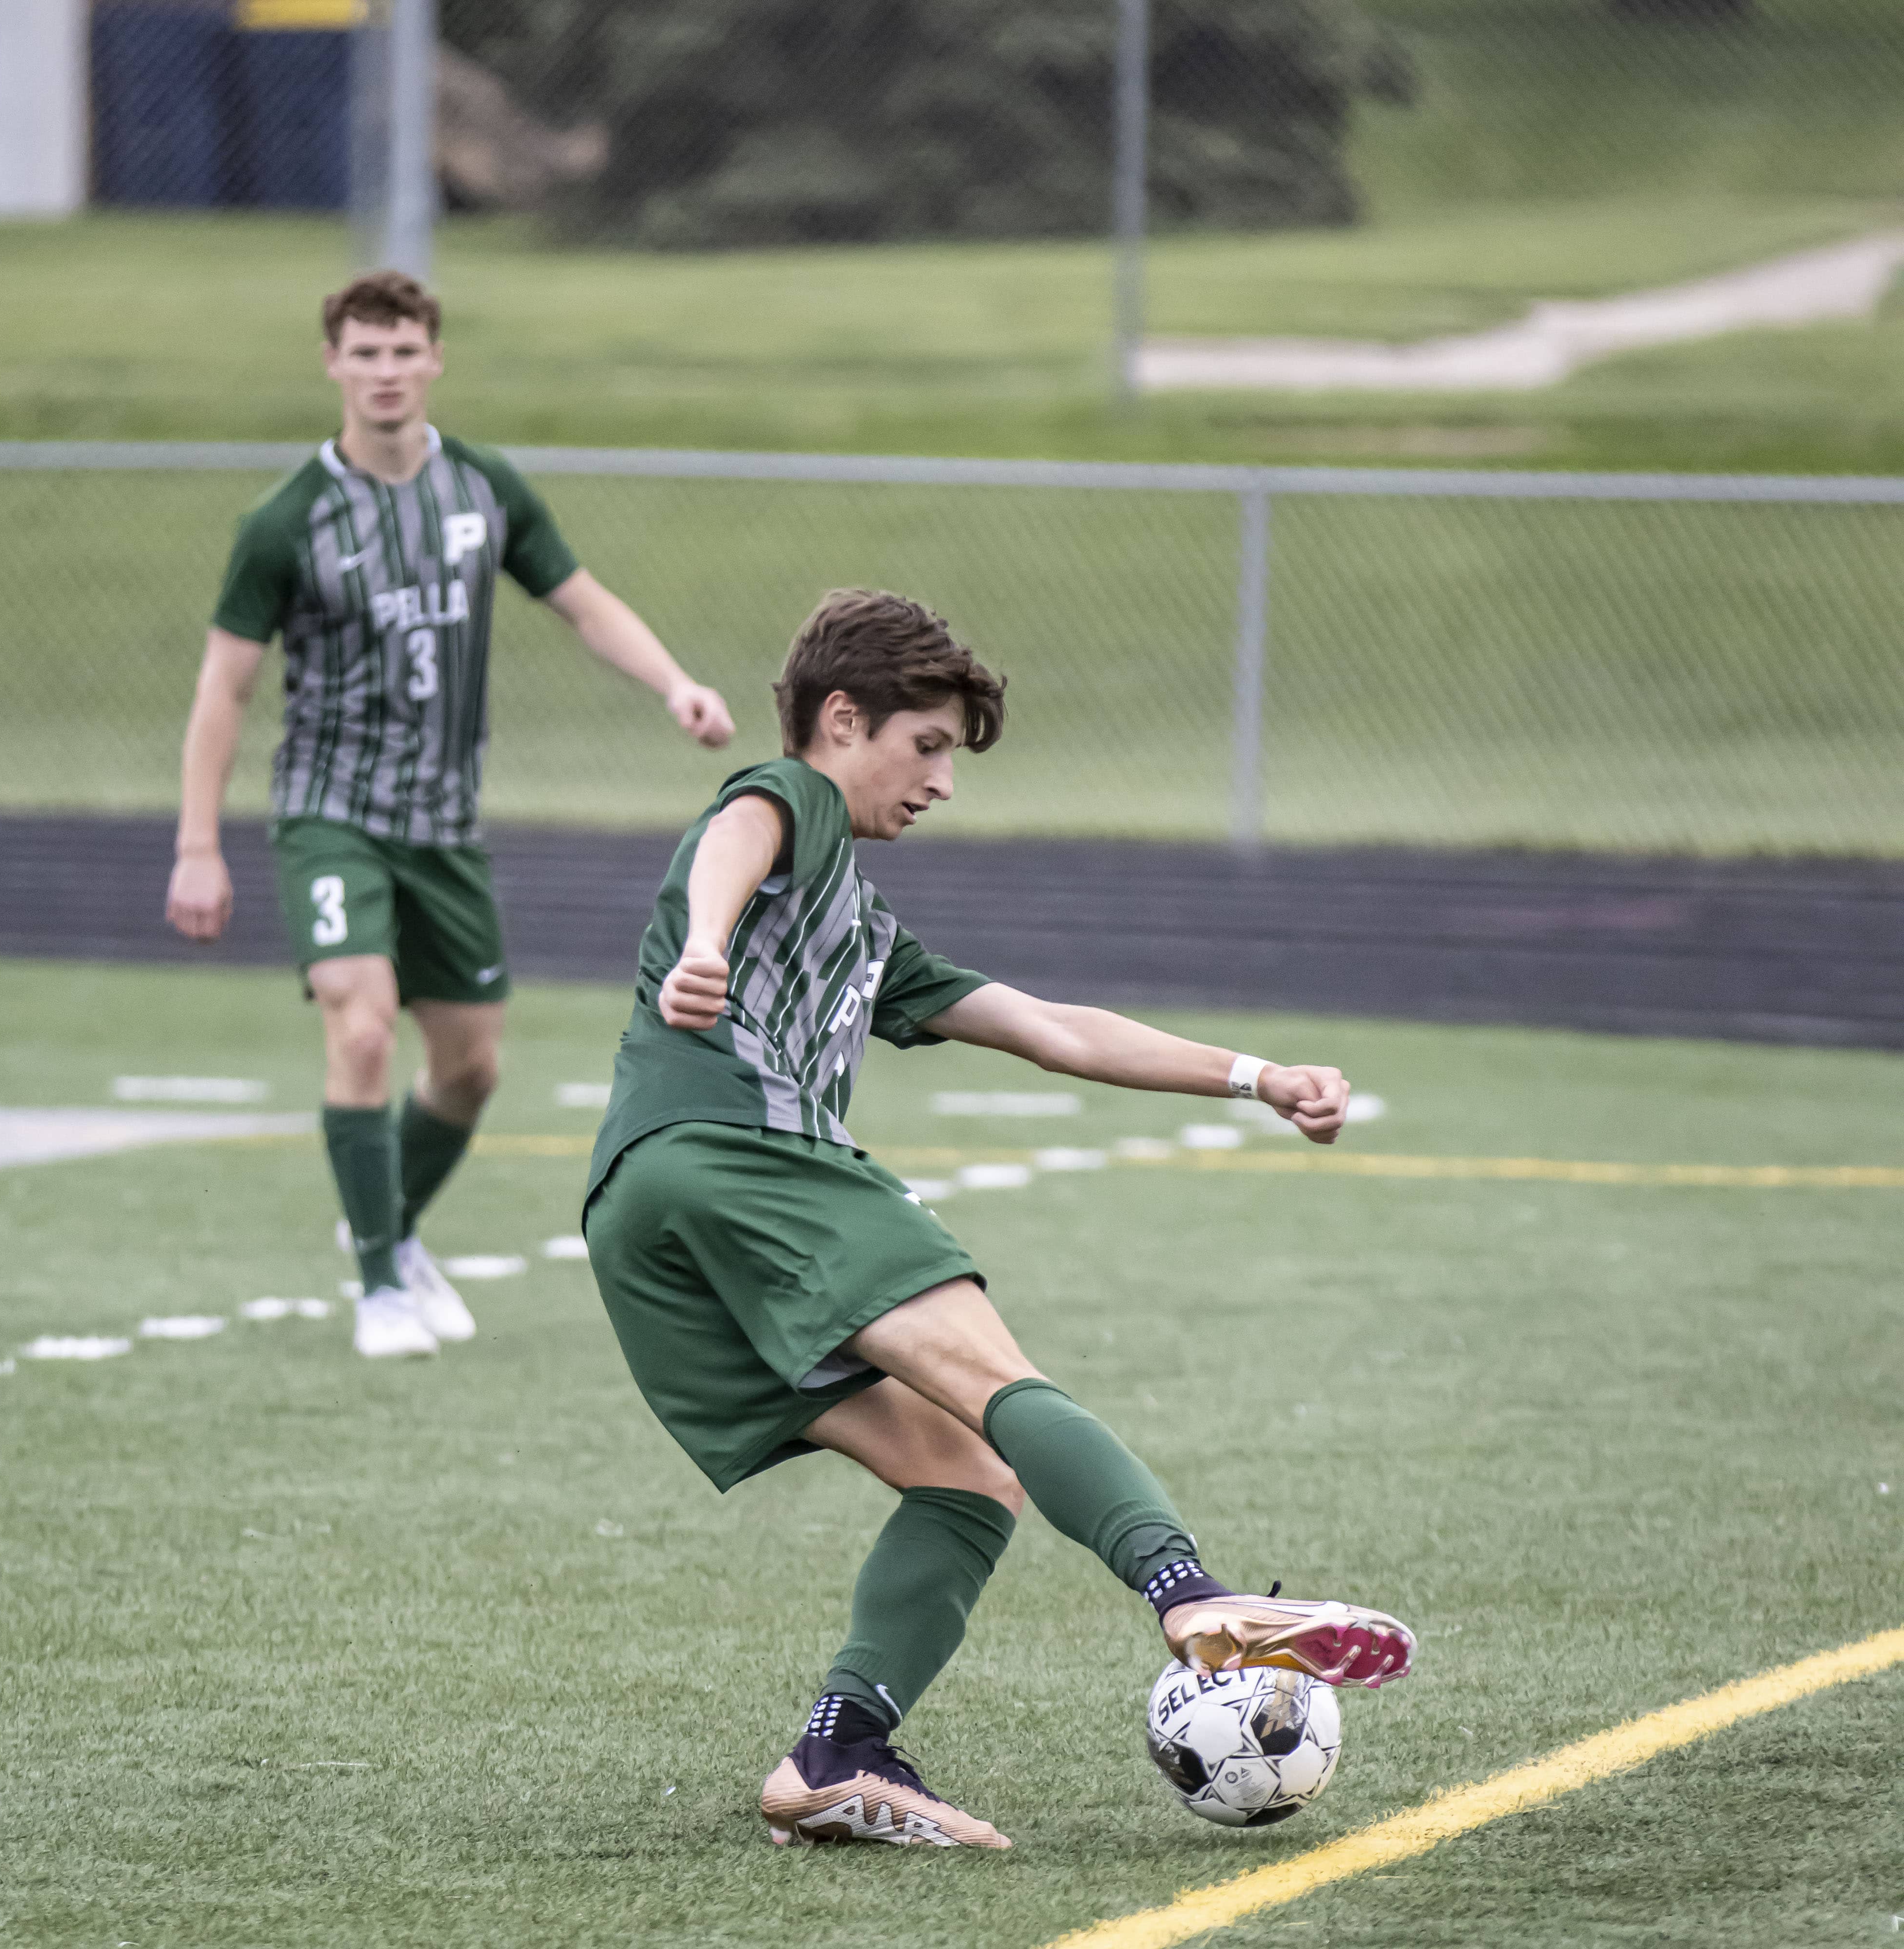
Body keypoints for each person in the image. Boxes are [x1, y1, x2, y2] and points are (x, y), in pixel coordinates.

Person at [582, 589, 1415, 1850]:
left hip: (639, 1213)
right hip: (742, 1155)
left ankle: (836, 1755)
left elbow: (1056, 1029)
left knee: (966, 1479)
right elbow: (740, 825)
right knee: (998, 1380)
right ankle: (1189, 1595)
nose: (942, 784)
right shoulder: (794, 804)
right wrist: (703, 940)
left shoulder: (858, 929)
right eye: (927, 748)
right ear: (844, 720)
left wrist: (1257, 1077)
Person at [168, 271, 735, 1359]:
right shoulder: (286, 523)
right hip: (330, 816)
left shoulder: (483, 490)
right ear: (332, 364)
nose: (384, 372)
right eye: (364, 353)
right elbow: (223, 690)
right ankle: (380, 1284)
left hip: (445, 828)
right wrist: (198, 845)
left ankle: (387, 1223)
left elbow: (581, 600)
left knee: (472, 1069)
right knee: (363, 1020)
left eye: (403, 351)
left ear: (435, 360)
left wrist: (673, 684)